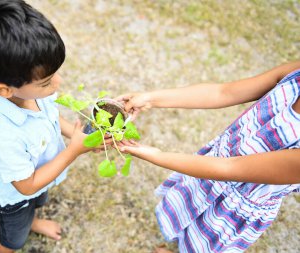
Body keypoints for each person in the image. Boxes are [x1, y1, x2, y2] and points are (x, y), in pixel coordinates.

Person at [117, 61, 300, 253]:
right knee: (189, 219)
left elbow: (230, 168)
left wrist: (157, 155)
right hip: (208, 168)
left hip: (235, 205)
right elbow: (224, 92)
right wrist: (150, 98)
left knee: (204, 245)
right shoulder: (295, 72)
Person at [0, 1, 94, 252]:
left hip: (42, 173)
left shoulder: (29, 90)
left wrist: (73, 134)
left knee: (39, 200)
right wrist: (73, 150)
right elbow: (26, 186)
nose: (58, 83)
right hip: (14, 200)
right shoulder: (1, 134)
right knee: (13, 238)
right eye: (46, 82)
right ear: (4, 90)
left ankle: (34, 221)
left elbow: (51, 117)